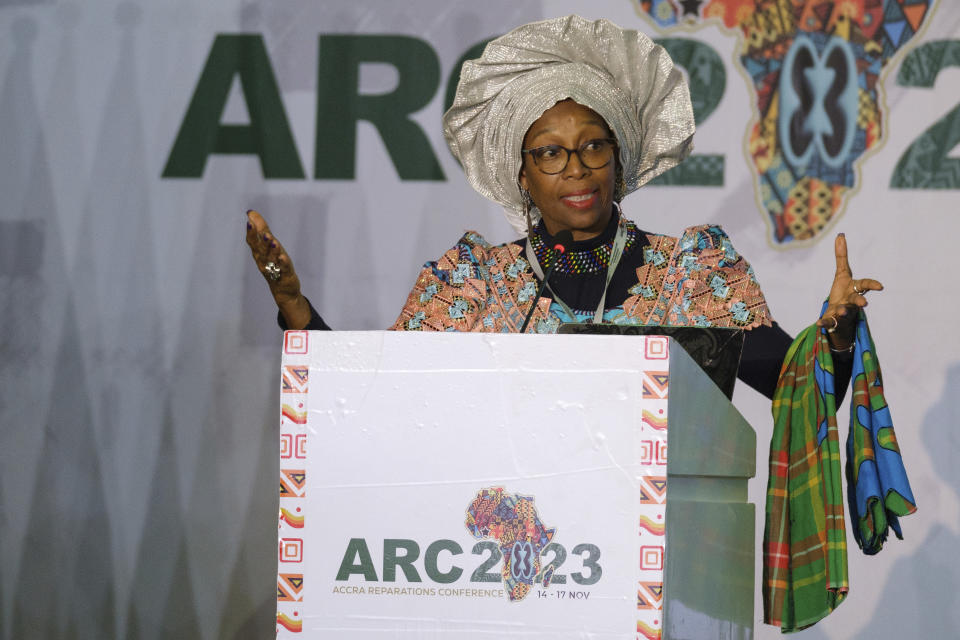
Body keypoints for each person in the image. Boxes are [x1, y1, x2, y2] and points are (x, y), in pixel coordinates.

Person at [245, 15, 879, 399]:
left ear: (620, 160)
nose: (575, 168)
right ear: (522, 173)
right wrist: (297, 309)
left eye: (593, 147)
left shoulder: (692, 273)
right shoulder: (474, 283)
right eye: (550, 153)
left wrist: (838, 333)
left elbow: (797, 391)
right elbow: (372, 399)